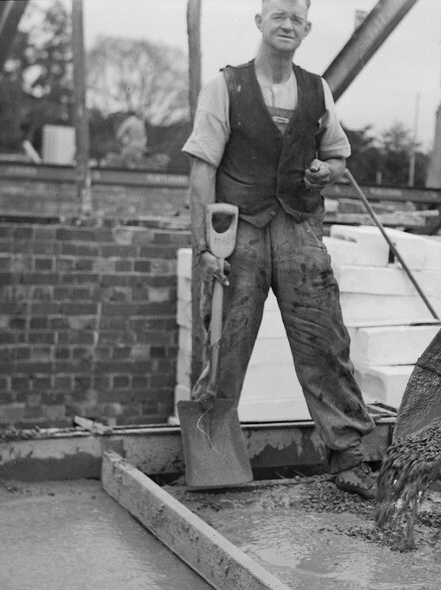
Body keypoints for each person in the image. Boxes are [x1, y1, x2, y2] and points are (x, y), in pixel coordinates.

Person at [181, 0, 377, 498]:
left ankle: (348, 455)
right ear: (260, 22)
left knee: (323, 340)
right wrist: (205, 246)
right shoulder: (226, 86)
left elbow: (338, 157)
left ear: (306, 28)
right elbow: (202, 168)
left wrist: (324, 171)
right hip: (239, 230)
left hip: (298, 229)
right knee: (225, 341)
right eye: (278, 15)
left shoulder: (316, 89)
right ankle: (212, 453)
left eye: (296, 18)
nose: (286, 25)